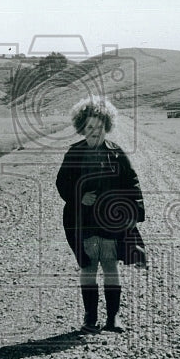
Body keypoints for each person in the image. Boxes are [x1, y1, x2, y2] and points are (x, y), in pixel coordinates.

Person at [56, 96, 146, 334]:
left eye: (99, 127)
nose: (94, 132)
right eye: (89, 127)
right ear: (81, 128)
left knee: (110, 266)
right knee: (87, 267)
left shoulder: (117, 154)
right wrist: (79, 198)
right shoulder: (73, 154)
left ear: (107, 127)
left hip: (110, 223)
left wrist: (133, 212)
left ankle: (114, 317)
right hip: (83, 223)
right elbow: (61, 183)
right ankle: (90, 317)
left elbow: (132, 183)